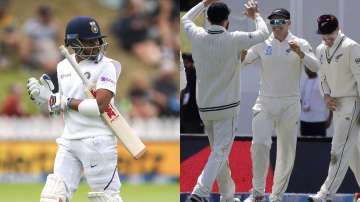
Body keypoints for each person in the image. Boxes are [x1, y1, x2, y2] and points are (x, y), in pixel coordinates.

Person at [27, 16, 123, 202]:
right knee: (52, 196)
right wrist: (46, 100)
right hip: (69, 141)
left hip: (98, 141)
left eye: (97, 40)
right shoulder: (63, 66)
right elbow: (60, 106)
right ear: (73, 42)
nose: (95, 45)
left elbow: (100, 105)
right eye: (88, 41)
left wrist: (65, 101)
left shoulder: (107, 65)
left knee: (105, 198)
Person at [181, 0, 269, 201]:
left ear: (208, 19)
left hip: (204, 107)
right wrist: (255, 15)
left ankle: (228, 197)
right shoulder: (234, 38)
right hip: (226, 108)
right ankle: (200, 192)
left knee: (218, 153)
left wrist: (203, 3)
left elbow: (185, 19)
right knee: (220, 152)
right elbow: (264, 34)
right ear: (226, 22)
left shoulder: (197, 35)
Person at [241, 8, 320, 202]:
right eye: (273, 23)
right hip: (265, 102)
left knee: (286, 151)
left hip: (289, 103)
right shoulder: (262, 43)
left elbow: (316, 67)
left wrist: (300, 53)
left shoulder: (299, 43)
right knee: (259, 144)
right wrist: (239, 52)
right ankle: (258, 194)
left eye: (280, 22)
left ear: (289, 23)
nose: (276, 26)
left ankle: (276, 196)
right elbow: (243, 61)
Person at [308, 14, 360, 202]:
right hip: (336, 104)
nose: (327, 41)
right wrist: (327, 95)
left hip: (353, 102)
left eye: (330, 36)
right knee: (354, 154)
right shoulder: (321, 49)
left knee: (338, 149)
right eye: (324, 36)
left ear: (339, 30)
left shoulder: (351, 47)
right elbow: (322, 76)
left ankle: (325, 194)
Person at [300, 67, 331, 137]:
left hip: (319, 120)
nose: (308, 69)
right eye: (306, 68)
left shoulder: (322, 82)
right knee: (304, 145)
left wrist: (329, 119)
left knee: (319, 146)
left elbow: (330, 100)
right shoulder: (303, 81)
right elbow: (299, 100)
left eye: (310, 67)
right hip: (304, 120)